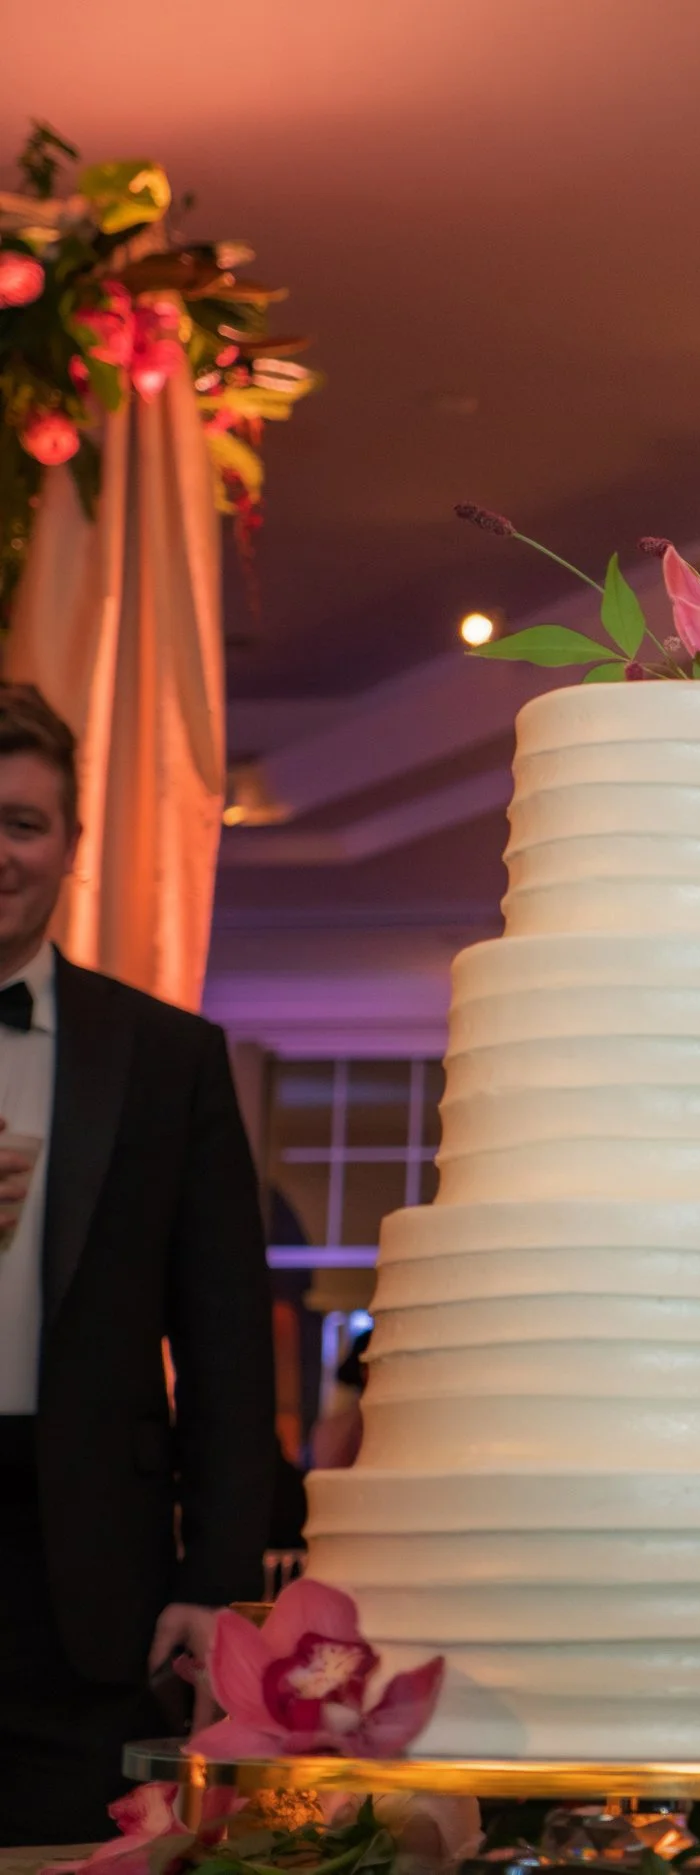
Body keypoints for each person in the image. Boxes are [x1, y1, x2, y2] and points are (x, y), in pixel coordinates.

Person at [0, 684, 275, 1847]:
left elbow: (222, 1346)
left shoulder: (167, 1059)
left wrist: (212, 1585)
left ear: (71, 844)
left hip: (87, 1583)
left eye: (22, 822)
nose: (0, 851)